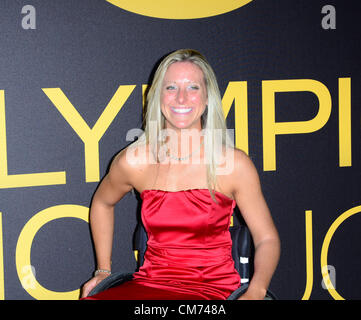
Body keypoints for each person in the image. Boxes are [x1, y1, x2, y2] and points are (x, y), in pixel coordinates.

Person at [81, 49, 280, 300]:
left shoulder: (233, 164)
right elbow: (102, 203)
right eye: (171, 88)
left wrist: (256, 291)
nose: (182, 98)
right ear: (157, 96)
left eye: (193, 88)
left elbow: (267, 238)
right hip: (150, 287)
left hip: (213, 291)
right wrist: (102, 270)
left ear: (207, 98)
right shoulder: (135, 161)